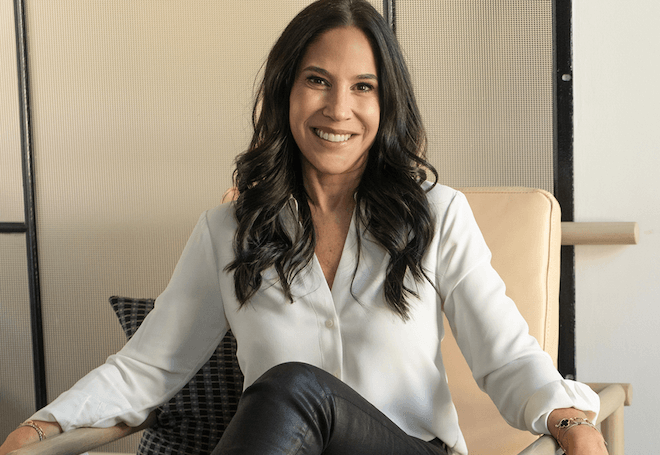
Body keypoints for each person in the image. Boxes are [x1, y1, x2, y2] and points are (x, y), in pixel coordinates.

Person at [1, 1, 607, 454]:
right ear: (286, 91)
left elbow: (505, 359)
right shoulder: (227, 232)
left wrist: (572, 419)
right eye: (317, 80)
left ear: (384, 105)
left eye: (362, 88)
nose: (338, 109)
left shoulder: (437, 215)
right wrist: (41, 425)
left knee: (291, 384)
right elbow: (149, 368)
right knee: (287, 389)